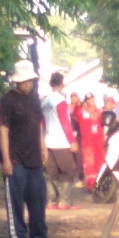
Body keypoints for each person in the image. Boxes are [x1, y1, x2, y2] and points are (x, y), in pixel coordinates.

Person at [0, 58, 48, 238]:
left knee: (38, 196)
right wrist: (6, 159)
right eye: (25, 81)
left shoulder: (34, 98)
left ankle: (39, 233)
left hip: (33, 155)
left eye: (31, 81)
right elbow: (4, 129)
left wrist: (43, 146)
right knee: (16, 200)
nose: (29, 84)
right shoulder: (8, 101)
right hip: (15, 157)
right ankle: (18, 236)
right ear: (17, 81)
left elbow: (38, 124)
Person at [40, 72, 80, 210]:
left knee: (51, 171)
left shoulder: (44, 102)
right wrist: (72, 141)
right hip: (61, 141)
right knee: (69, 170)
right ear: (62, 84)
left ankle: (51, 201)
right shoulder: (61, 101)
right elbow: (65, 122)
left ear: (51, 84)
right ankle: (64, 200)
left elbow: (41, 122)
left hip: (47, 140)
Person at [78, 93, 106, 191]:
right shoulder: (83, 112)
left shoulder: (100, 111)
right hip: (88, 142)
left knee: (100, 161)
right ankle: (91, 185)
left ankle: (101, 183)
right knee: (89, 163)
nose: (91, 101)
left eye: (92, 98)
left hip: (99, 140)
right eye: (88, 99)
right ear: (86, 101)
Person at [69, 92, 85, 185]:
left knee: (79, 154)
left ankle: (79, 174)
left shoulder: (79, 107)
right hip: (71, 130)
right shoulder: (68, 107)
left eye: (76, 97)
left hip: (79, 131)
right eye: (73, 97)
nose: (74, 99)